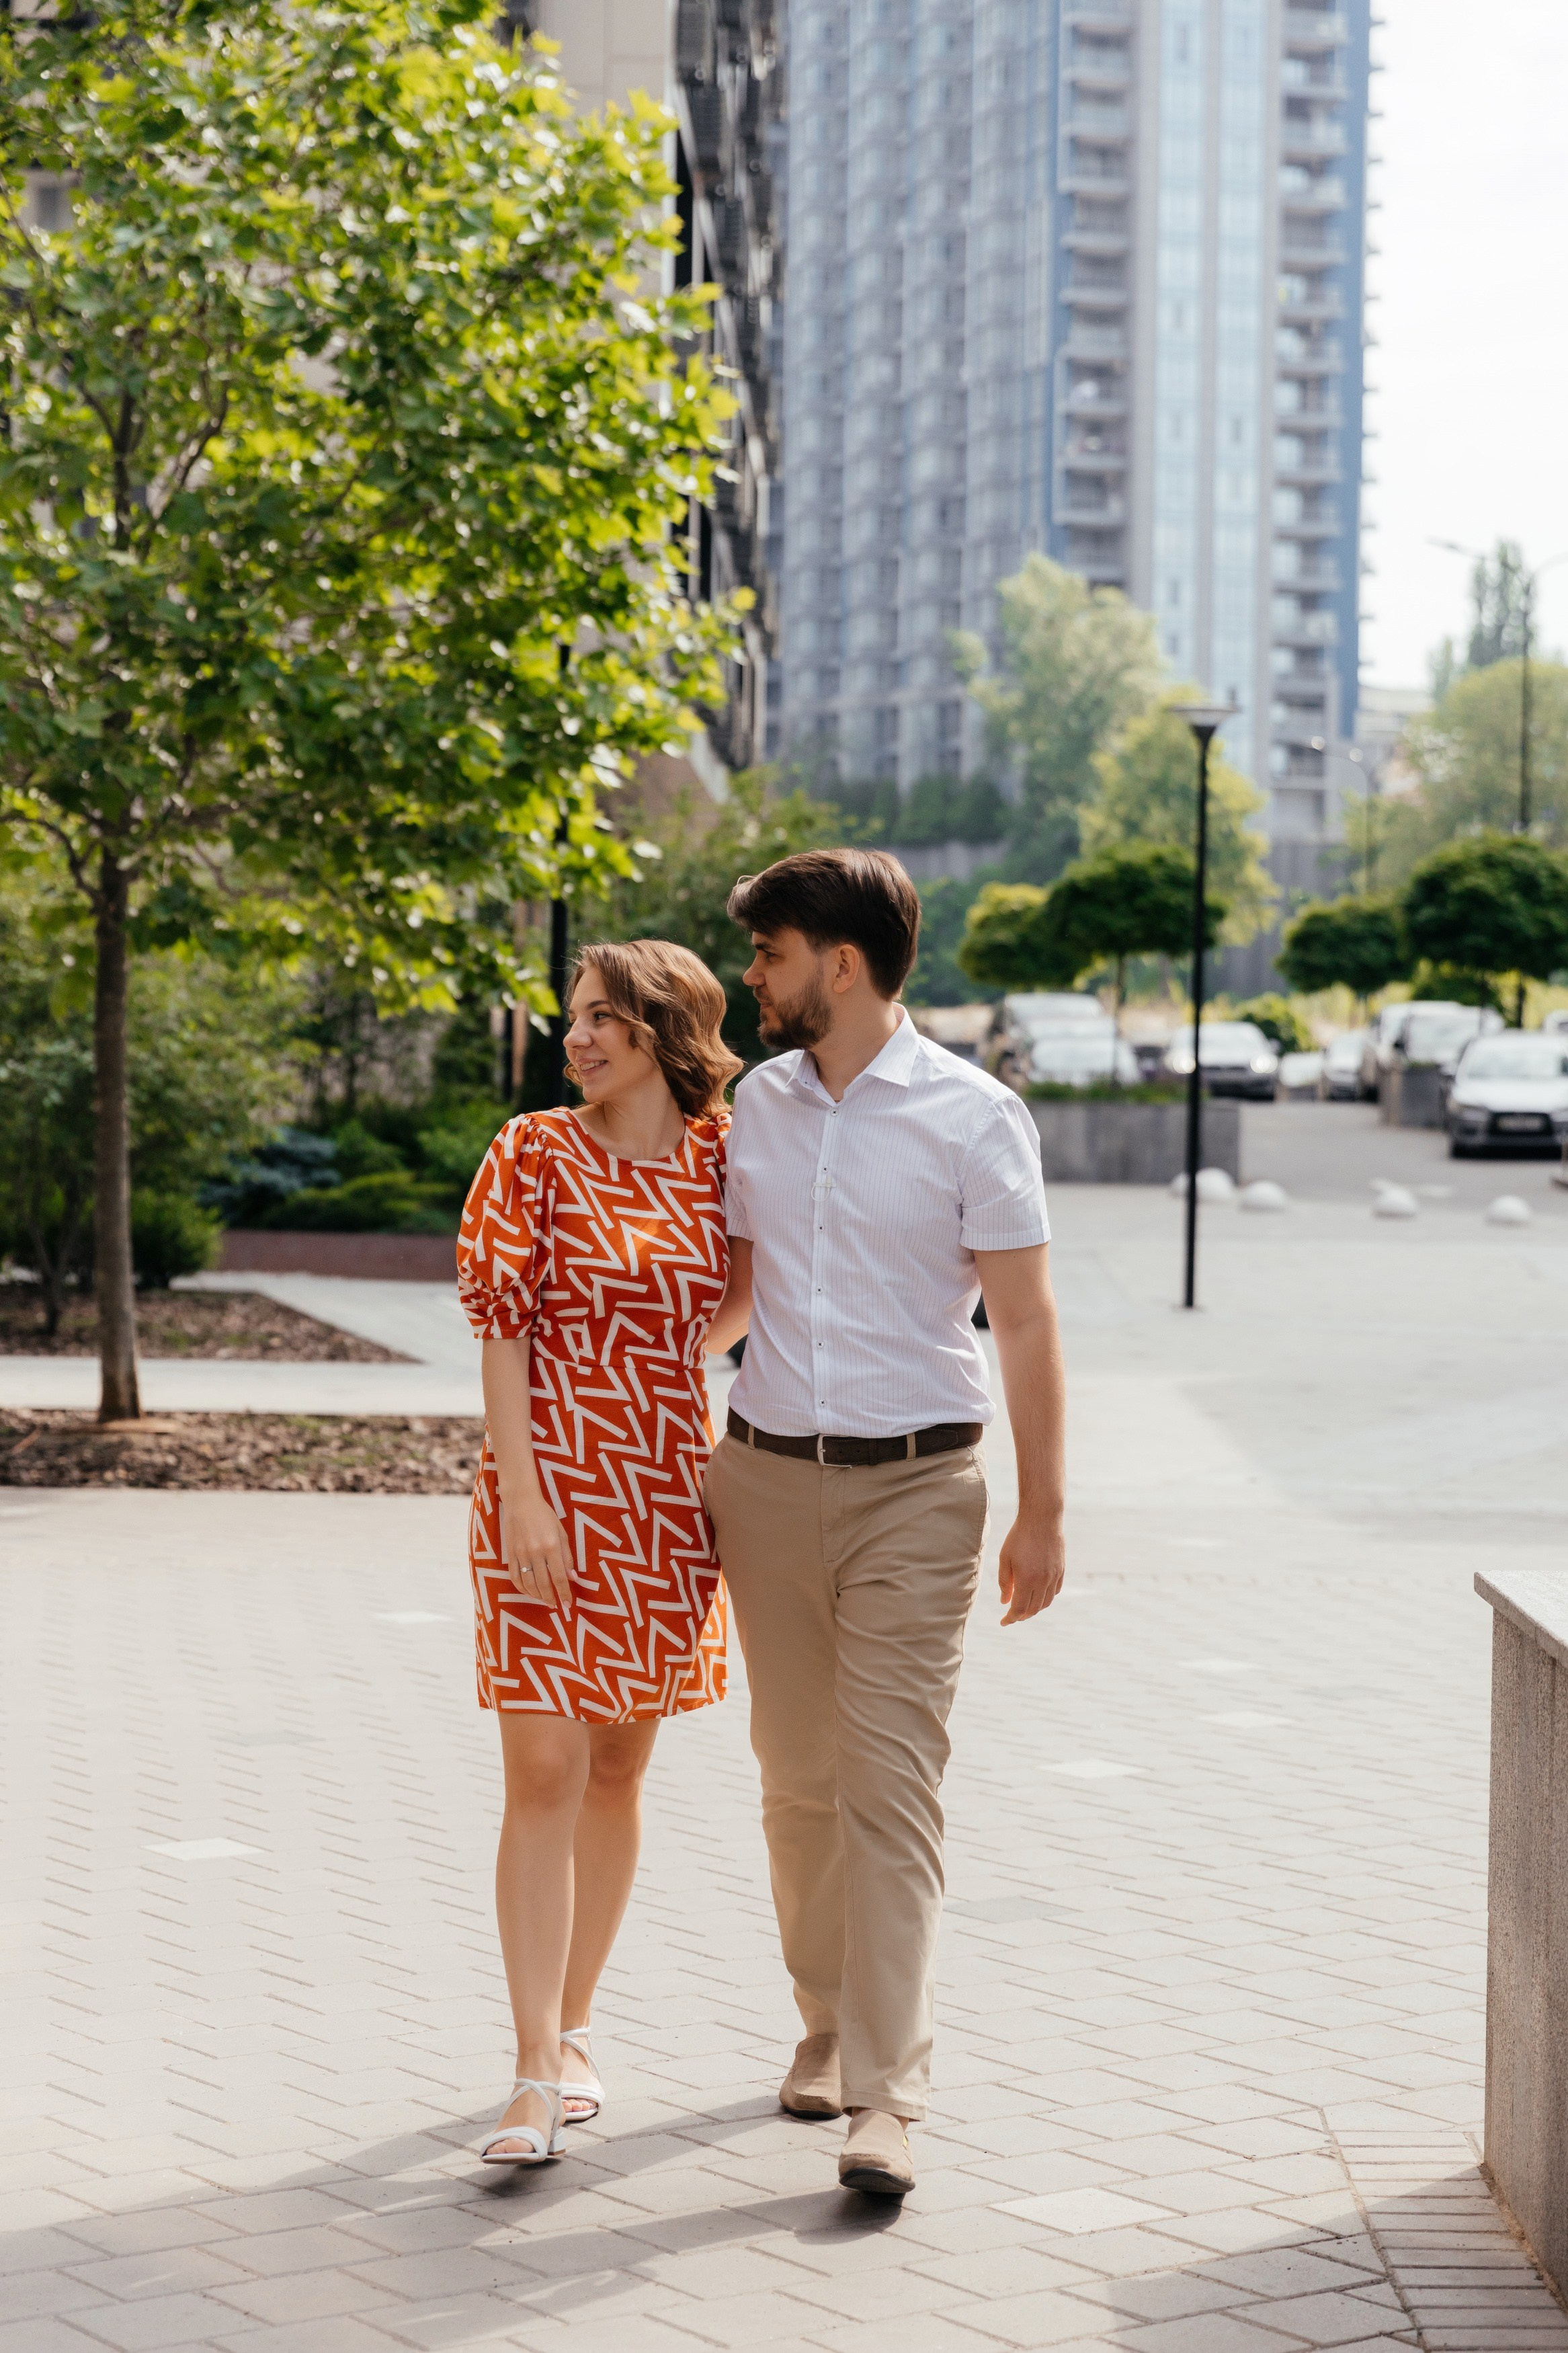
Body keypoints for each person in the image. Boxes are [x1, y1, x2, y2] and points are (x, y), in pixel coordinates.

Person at [704, 847, 1067, 2198]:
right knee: (797, 1777)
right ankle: (821, 2024)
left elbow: (1025, 1319)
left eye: (771, 952)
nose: (754, 976)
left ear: (838, 966)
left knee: (892, 1786)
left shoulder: (977, 1118)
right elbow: (739, 1297)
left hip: (922, 1486)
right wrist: (613, 1359)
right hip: (765, 1478)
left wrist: (1045, 1508)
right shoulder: (760, 1104)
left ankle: (888, 2096)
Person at [457, 940, 750, 2165]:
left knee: (620, 1773)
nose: (576, 1038)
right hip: (545, 1495)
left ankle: (577, 2029)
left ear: (668, 1031)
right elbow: (504, 1332)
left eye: (604, 1019)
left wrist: (661, 1353)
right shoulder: (534, 1152)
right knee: (542, 1771)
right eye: (574, 1018)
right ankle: (530, 2071)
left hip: (668, 1495)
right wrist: (524, 1491)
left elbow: (739, 1300)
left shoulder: (724, 1157)